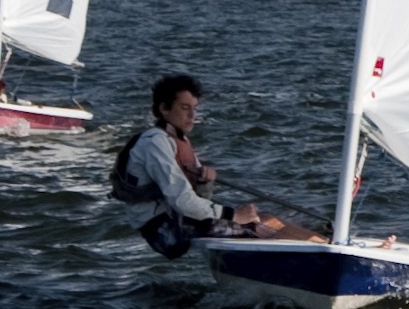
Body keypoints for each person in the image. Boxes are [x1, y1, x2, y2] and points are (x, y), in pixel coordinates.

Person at [125, 74, 302, 244]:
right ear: (164, 108)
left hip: (179, 219)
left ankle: (313, 242)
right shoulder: (155, 143)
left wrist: (204, 183)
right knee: (256, 228)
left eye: (194, 108)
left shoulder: (179, 140)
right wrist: (234, 215)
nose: (192, 115)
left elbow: (199, 200)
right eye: (185, 108)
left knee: (265, 219)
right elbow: (183, 202)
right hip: (162, 230)